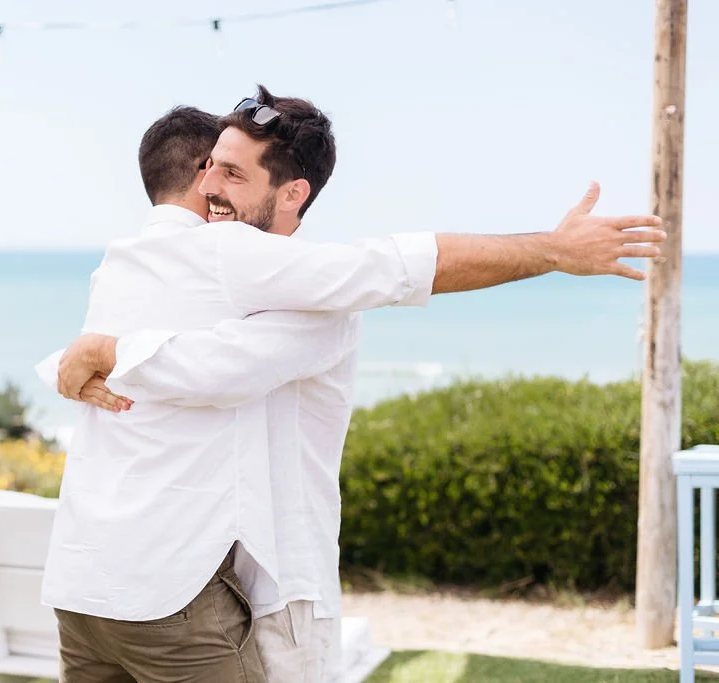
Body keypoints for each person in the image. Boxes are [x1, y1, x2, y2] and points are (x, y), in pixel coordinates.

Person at [38, 88, 664, 682]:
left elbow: (395, 269)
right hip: (190, 583)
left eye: (230, 173)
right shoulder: (202, 263)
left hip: (270, 585)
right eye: (208, 169)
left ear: (293, 193)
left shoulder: (289, 289)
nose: (209, 188)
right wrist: (85, 358)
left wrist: (553, 250)